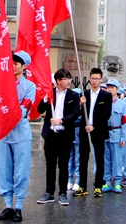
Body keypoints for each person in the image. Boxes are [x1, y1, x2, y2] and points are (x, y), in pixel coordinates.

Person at [0, 51, 36, 223]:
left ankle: (18, 206)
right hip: (3, 133)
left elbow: (24, 109)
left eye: (16, 63)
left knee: (20, 171)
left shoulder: (29, 86)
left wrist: (8, 114)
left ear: (24, 66)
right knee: (3, 170)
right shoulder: (2, 84)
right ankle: (7, 206)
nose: (13, 66)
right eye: (11, 62)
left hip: (20, 133)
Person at [37, 69, 80, 206]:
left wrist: (61, 120)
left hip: (64, 134)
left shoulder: (73, 95)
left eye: (70, 78)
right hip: (50, 135)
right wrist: (45, 99)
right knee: (50, 164)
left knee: (63, 164)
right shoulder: (50, 94)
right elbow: (39, 110)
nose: (69, 81)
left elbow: (75, 114)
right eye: (66, 78)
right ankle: (49, 192)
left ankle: (62, 193)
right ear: (58, 81)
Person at [75, 68, 113, 198]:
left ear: (101, 80)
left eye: (97, 79)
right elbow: (77, 112)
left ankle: (98, 186)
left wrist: (94, 126)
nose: (94, 81)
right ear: (89, 79)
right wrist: (80, 104)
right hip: (84, 130)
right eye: (92, 78)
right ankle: (82, 186)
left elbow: (106, 114)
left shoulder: (106, 96)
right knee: (83, 159)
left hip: (98, 131)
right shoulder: (84, 94)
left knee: (99, 159)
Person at [102, 79, 126, 193]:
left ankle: (117, 182)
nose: (110, 89)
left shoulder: (122, 104)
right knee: (106, 159)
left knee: (117, 160)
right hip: (104, 134)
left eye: (112, 87)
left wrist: (124, 138)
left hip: (117, 134)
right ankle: (107, 182)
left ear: (117, 90)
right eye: (108, 87)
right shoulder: (102, 102)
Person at [67, 88, 82, 192]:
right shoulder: (68, 106)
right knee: (69, 158)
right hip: (69, 132)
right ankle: (69, 179)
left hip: (78, 132)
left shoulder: (83, 108)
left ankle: (78, 179)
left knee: (78, 158)